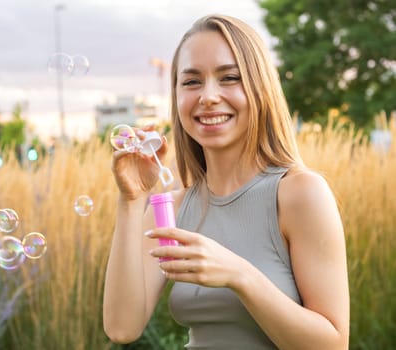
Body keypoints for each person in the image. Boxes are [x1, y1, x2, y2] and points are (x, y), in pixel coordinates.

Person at [103, 14, 349, 350]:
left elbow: (333, 345)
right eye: (191, 82)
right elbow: (121, 327)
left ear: (260, 88)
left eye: (229, 77)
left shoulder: (299, 194)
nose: (208, 96)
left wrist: (240, 276)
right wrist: (131, 201)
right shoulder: (172, 208)